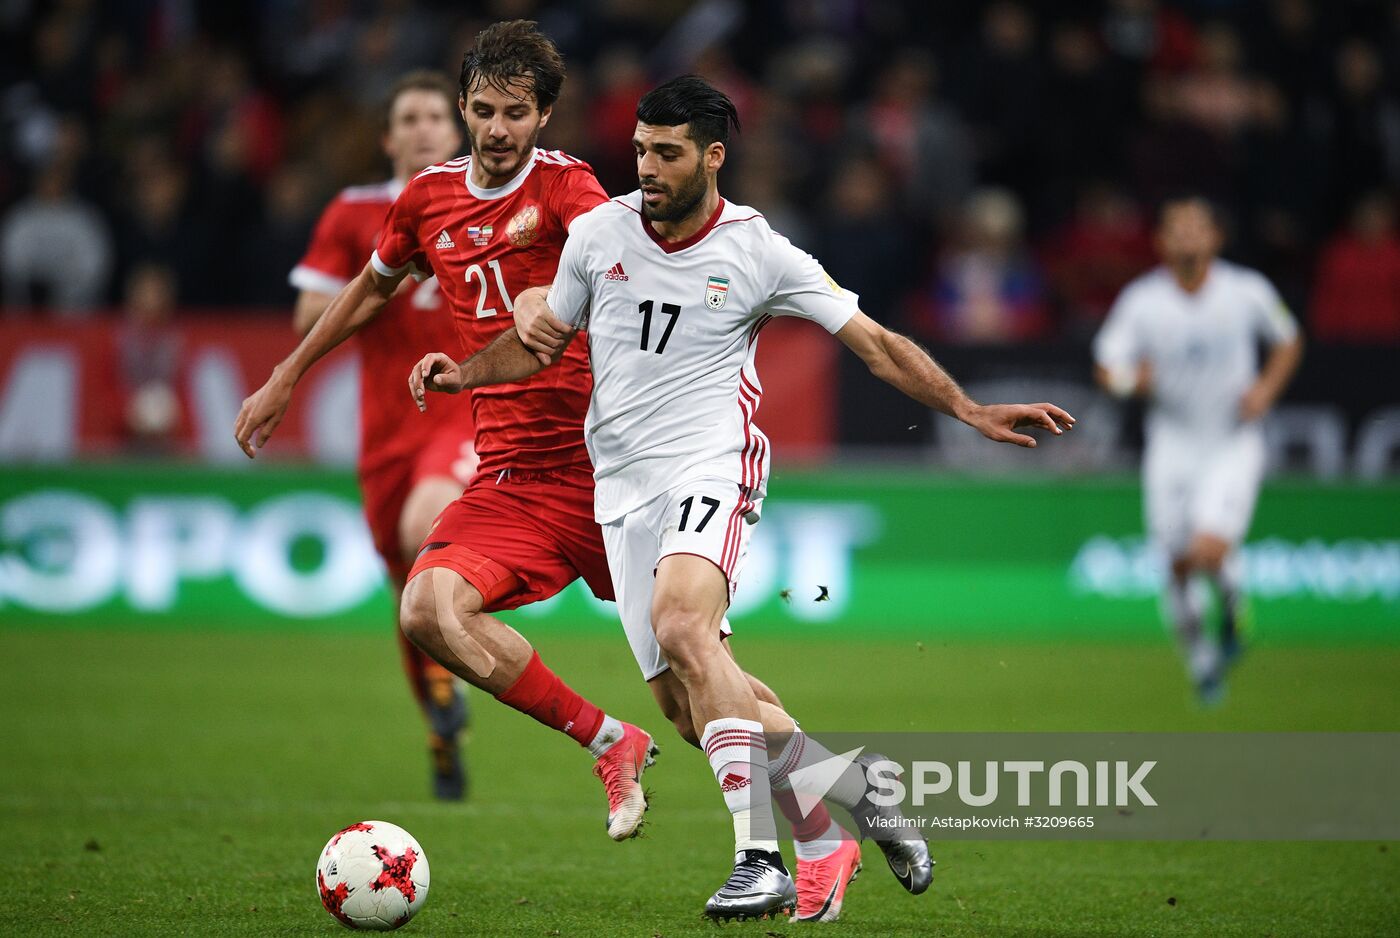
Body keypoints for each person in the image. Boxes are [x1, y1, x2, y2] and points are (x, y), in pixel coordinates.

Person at [413, 75, 1074, 921]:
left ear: (713, 157)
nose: (647, 167)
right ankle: (851, 793)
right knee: (696, 709)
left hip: (711, 467)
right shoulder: (599, 233)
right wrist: (463, 370)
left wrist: (968, 406)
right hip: (620, 492)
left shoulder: (760, 251)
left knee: (686, 626)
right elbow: (541, 346)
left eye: (669, 153)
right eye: (642, 149)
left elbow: (872, 343)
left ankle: (759, 856)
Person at [235, 21, 660, 840]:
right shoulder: (427, 200)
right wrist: (286, 375)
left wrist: (561, 307)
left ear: (543, 118)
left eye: (517, 113)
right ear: (467, 106)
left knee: (691, 685)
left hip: (611, 469)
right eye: (484, 110)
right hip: (512, 477)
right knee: (426, 609)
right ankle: (610, 741)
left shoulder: (571, 191)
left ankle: (832, 810)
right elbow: (367, 289)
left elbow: (635, 283)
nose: (497, 130)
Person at [288, 70, 477, 800]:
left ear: (454, 132)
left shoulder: (486, 204)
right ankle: (438, 719)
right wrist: (384, 276)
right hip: (385, 430)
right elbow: (308, 315)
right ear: (388, 137)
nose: (425, 127)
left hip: (462, 408)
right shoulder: (352, 213)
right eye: (410, 117)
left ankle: (472, 647)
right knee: (407, 594)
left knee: (420, 527)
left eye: (436, 115)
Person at [1093, 195, 1303, 703]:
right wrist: (1131, 380)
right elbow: (1107, 370)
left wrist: (1266, 391)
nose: (1186, 237)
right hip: (1171, 447)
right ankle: (1204, 663)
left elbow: (1288, 339)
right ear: (1160, 241)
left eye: (1196, 228)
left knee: (1208, 548)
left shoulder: (1246, 291)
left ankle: (1232, 605)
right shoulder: (1142, 300)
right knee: (1176, 566)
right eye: (1175, 229)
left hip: (1231, 442)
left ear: (1215, 238)